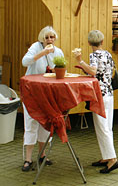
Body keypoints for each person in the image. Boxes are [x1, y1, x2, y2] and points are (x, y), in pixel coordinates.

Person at [74, 30, 118, 173]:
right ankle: (106, 156)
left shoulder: (94, 55)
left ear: (89, 43)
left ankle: (112, 159)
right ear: (102, 42)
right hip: (109, 93)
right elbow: (107, 71)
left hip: (99, 95)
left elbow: (93, 71)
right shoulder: (108, 54)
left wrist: (80, 61)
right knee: (107, 126)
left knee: (101, 126)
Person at [21, 26, 64, 172]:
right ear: (42, 38)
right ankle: (28, 159)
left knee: (46, 124)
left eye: (52, 37)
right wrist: (41, 54)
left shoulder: (58, 52)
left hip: (47, 92)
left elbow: (60, 68)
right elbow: (25, 62)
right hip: (31, 92)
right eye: (47, 37)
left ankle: (42, 155)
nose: (49, 40)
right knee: (31, 123)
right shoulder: (35, 47)